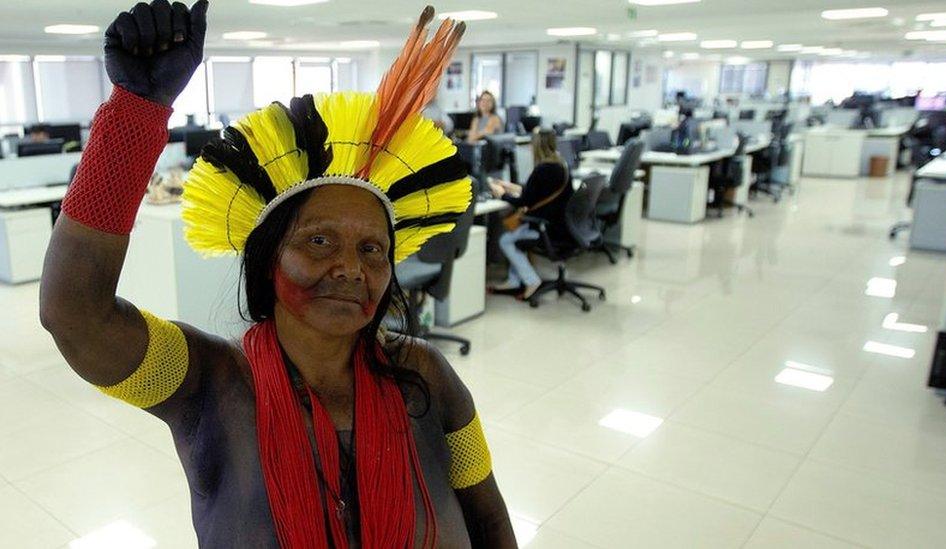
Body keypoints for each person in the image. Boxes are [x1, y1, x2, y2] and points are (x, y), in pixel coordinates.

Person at [39, 1, 516, 547]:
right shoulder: (207, 382)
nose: (350, 268)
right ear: (269, 257)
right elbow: (74, 313)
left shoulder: (428, 375)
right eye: (318, 241)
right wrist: (135, 114)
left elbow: (492, 522)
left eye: (372, 249)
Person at [487, 128, 572, 300]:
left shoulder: (542, 169)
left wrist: (501, 194)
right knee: (514, 236)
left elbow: (523, 202)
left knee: (506, 240)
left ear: (537, 145)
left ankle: (531, 280)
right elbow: (538, 193)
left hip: (545, 227)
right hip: (561, 225)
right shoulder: (562, 164)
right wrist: (512, 187)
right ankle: (513, 280)